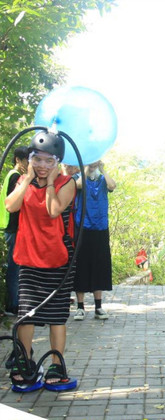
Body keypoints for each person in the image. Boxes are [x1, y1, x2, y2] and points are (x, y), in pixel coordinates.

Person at [5, 131, 76, 388]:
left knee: (56, 316)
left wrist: (48, 183)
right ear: (30, 158)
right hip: (28, 258)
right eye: (38, 159)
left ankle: (57, 365)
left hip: (58, 258)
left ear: (58, 161)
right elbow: (10, 206)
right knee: (26, 315)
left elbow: (53, 210)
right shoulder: (24, 180)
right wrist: (27, 181)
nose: (43, 166)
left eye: (49, 161)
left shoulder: (66, 183)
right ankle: (26, 360)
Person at [73, 160, 116, 321]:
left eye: (95, 162)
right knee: (81, 265)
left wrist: (103, 168)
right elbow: (77, 186)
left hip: (101, 227)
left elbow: (113, 186)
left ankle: (98, 306)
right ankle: (80, 307)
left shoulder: (103, 179)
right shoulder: (79, 177)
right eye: (91, 162)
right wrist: (85, 168)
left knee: (99, 265)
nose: (93, 165)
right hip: (83, 227)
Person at [0, 146, 29, 316]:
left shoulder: (12, 175)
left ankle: (14, 303)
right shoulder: (16, 177)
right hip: (14, 228)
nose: (28, 164)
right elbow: (14, 204)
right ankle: (14, 305)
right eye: (26, 160)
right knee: (15, 267)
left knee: (15, 266)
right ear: (18, 159)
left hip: (11, 227)